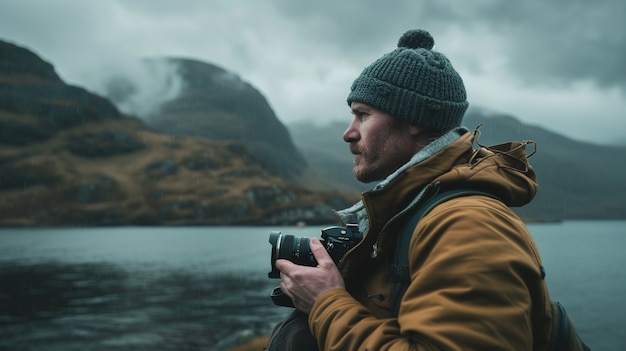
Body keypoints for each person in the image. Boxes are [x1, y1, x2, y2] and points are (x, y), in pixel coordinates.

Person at [274, 29, 552, 350]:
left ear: (414, 121)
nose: (348, 134)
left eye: (363, 115)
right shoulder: (414, 212)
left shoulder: (467, 224)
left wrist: (326, 303)